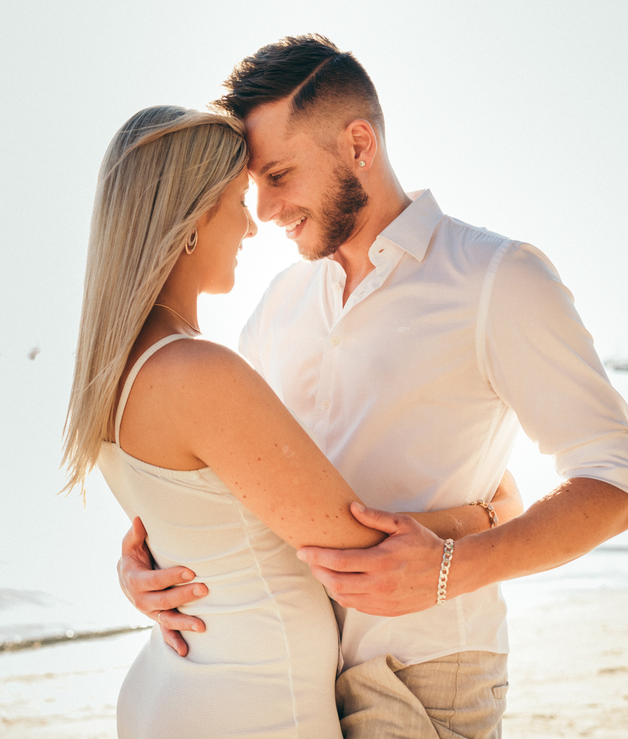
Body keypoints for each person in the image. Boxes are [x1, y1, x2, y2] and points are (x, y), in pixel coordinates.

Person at [119, 35, 628, 738]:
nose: (268, 209)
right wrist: (146, 565)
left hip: (424, 673)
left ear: (358, 144)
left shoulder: (496, 277)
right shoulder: (279, 301)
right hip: (286, 675)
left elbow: (621, 482)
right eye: (255, 186)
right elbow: (239, 486)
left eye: (280, 174)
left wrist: (450, 568)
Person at [63, 105, 522, 739]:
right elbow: (352, 545)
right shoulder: (196, 371)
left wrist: (133, 572)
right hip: (249, 703)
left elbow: (190, 525)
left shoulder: (118, 365)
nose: (252, 225)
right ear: (192, 218)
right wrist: (496, 509)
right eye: (235, 200)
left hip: (185, 688)